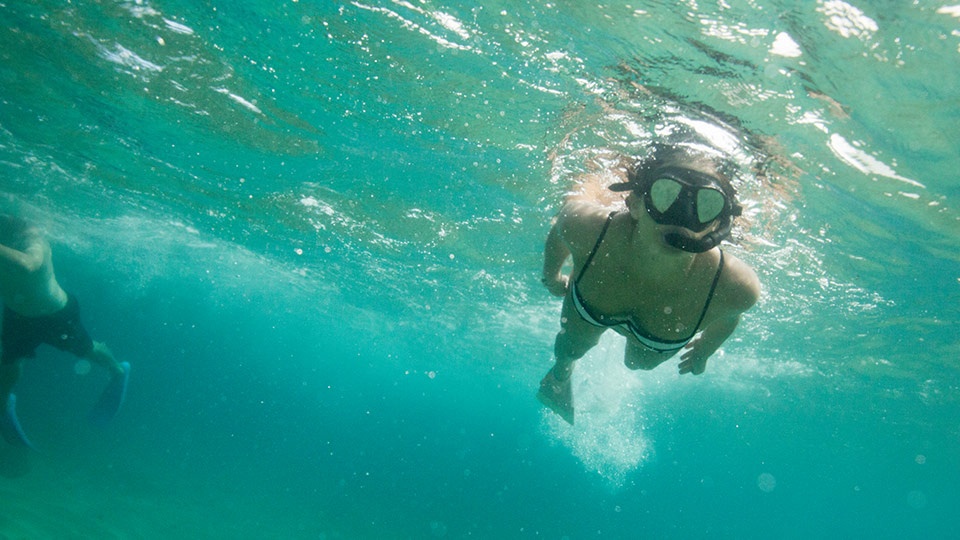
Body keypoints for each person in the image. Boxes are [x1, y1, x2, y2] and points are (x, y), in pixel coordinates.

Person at [537, 144, 760, 424]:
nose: (683, 219)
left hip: (638, 329)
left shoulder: (736, 286)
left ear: (717, 225)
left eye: (705, 205)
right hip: (599, 306)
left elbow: (729, 315)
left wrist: (705, 349)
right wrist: (552, 275)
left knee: (638, 363)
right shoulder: (588, 226)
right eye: (667, 195)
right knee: (571, 346)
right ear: (635, 203)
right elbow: (560, 230)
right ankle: (559, 376)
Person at [0, 214, 130, 448]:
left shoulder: (33, 239)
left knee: (88, 350)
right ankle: (4, 403)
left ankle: (117, 370)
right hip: (16, 315)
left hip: (56, 314)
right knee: (10, 365)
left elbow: (27, 265)